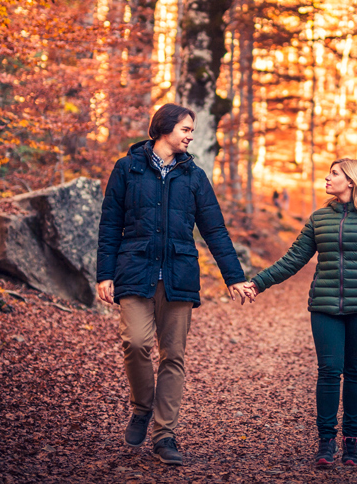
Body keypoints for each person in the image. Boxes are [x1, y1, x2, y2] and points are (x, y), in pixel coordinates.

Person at [96, 103, 251, 466]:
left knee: (173, 357)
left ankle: (165, 434)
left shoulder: (193, 176)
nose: (189, 136)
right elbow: (109, 226)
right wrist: (104, 273)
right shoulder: (127, 169)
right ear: (164, 128)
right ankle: (141, 408)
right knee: (135, 343)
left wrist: (234, 277)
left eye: (191, 130)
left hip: (179, 276)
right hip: (134, 271)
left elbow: (214, 229)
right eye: (184, 129)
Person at [231, 158, 357, 468]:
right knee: (328, 371)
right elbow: (293, 259)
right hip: (325, 307)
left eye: (334, 174)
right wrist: (257, 283)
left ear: (351, 181)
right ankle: (326, 442)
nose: (327, 177)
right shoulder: (319, 218)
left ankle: (351, 442)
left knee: (355, 372)